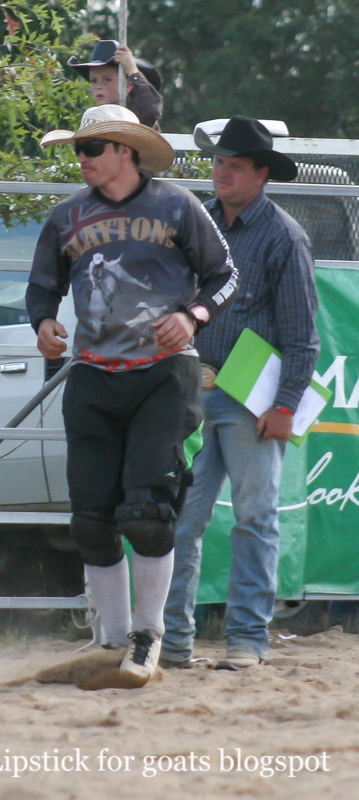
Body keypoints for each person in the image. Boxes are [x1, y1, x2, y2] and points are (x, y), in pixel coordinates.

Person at [27, 104, 237, 687]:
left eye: (92, 148)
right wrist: (43, 323)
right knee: (91, 519)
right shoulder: (66, 215)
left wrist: (192, 316)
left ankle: (148, 635)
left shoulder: (177, 205)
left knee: (147, 512)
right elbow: (42, 287)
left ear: (126, 150)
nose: (82, 159)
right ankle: (112, 641)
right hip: (93, 375)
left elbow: (225, 275)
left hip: (164, 374)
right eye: (79, 150)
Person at [161, 116, 318, 672]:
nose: (222, 172)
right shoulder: (197, 221)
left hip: (250, 398)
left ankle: (245, 639)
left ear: (261, 175)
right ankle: (173, 642)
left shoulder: (283, 237)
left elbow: (302, 335)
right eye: (218, 162)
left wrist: (285, 405)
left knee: (252, 518)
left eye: (235, 166)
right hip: (191, 388)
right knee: (184, 520)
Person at [68, 39, 164, 131]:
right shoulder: (94, 118)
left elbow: (151, 110)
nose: (98, 86)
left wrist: (133, 71)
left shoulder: (136, 113)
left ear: (128, 85)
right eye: (93, 81)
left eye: (107, 80)